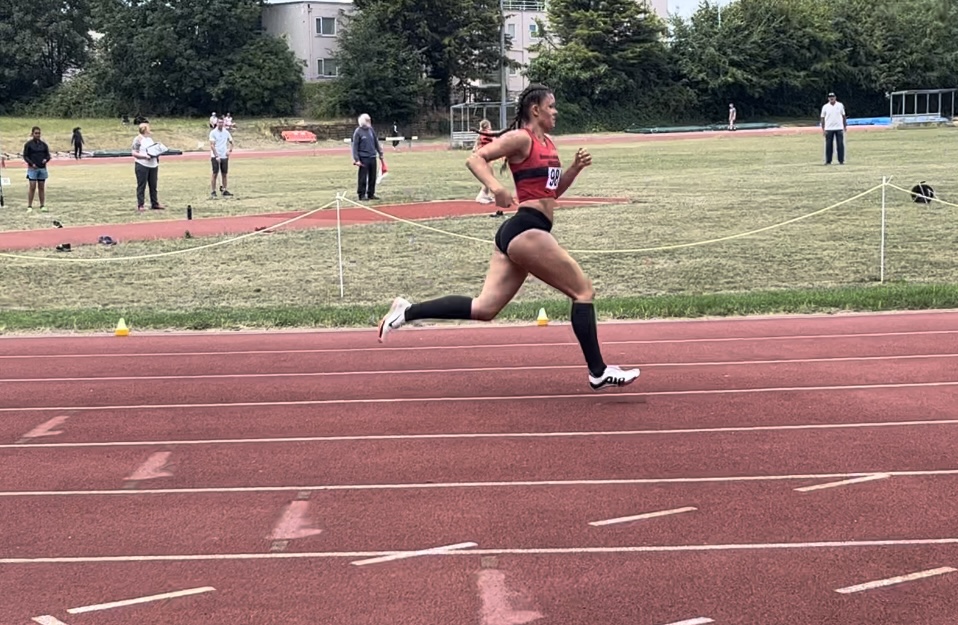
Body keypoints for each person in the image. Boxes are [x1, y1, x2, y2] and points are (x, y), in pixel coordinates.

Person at [377, 83, 640, 391]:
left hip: (521, 232)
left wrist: (574, 169)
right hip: (527, 229)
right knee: (583, 292)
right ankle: (598, 371)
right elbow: (476, 159)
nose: (556, 112)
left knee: (484, 309)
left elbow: (551, 194)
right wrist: (497, 188)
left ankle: (407, 311)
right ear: (536, 110)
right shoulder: (521, 138)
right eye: (551, 106)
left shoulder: (548, 144)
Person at [131, 122, 165, 212]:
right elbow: (134, 152)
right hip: (142, 165)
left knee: (153, 185)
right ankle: (140, 204)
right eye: (148, 128)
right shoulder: (138, 139)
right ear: (144, 130)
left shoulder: (149, 139)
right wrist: (144, 156)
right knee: (141, 185)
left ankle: (155, 203)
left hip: (153, 165)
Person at [352, 113, 383, 201]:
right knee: (363, 177)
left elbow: (376, 142)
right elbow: (355, 147)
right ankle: (361, 194)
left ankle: (371, 193)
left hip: (372, 156)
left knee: (372, 177)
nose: (370, 121)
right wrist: (356, 159)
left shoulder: (371, 130)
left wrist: (380, 153)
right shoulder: (358, 132)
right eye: (368, 120)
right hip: (363, 158)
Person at [23, 126, 51, 212]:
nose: (37, 135)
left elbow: (48, 155)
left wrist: (46, 159)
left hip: (42, 168)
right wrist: (31, 163)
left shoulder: (43, 145)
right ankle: (29, 206)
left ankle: (42, 205)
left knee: (41, 187)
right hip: (33, 169)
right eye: (36, 133)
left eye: (39, 133)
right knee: (32, 187)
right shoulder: (28, 145)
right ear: (32, 134)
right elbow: (25, 156)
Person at [209, 117, 234, 198]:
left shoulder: (226, 132)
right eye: (219, 122)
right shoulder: (213, 133)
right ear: (217, 123)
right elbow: (212, 145)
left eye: (222, 122)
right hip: (215, 156)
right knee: (215, 173)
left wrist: (229, 150)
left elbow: (231, 142)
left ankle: (224, 190)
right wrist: (216, 155)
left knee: (224, 174)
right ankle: (213, 191)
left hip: (224, 156)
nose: (220, 124)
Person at [821, 92, 847, 165]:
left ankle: (841, 160)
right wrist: (823, 129)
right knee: (828, 145)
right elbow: (822, 118)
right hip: (829, 128)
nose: (831, 98)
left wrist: (844, 126)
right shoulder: (825, 107)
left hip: (839, 127)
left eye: (832, 97)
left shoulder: (840, 105)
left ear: (835, 97)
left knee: (840, 144)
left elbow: (843, 116)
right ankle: (828, 160)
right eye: (830, 97)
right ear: (828, 98)